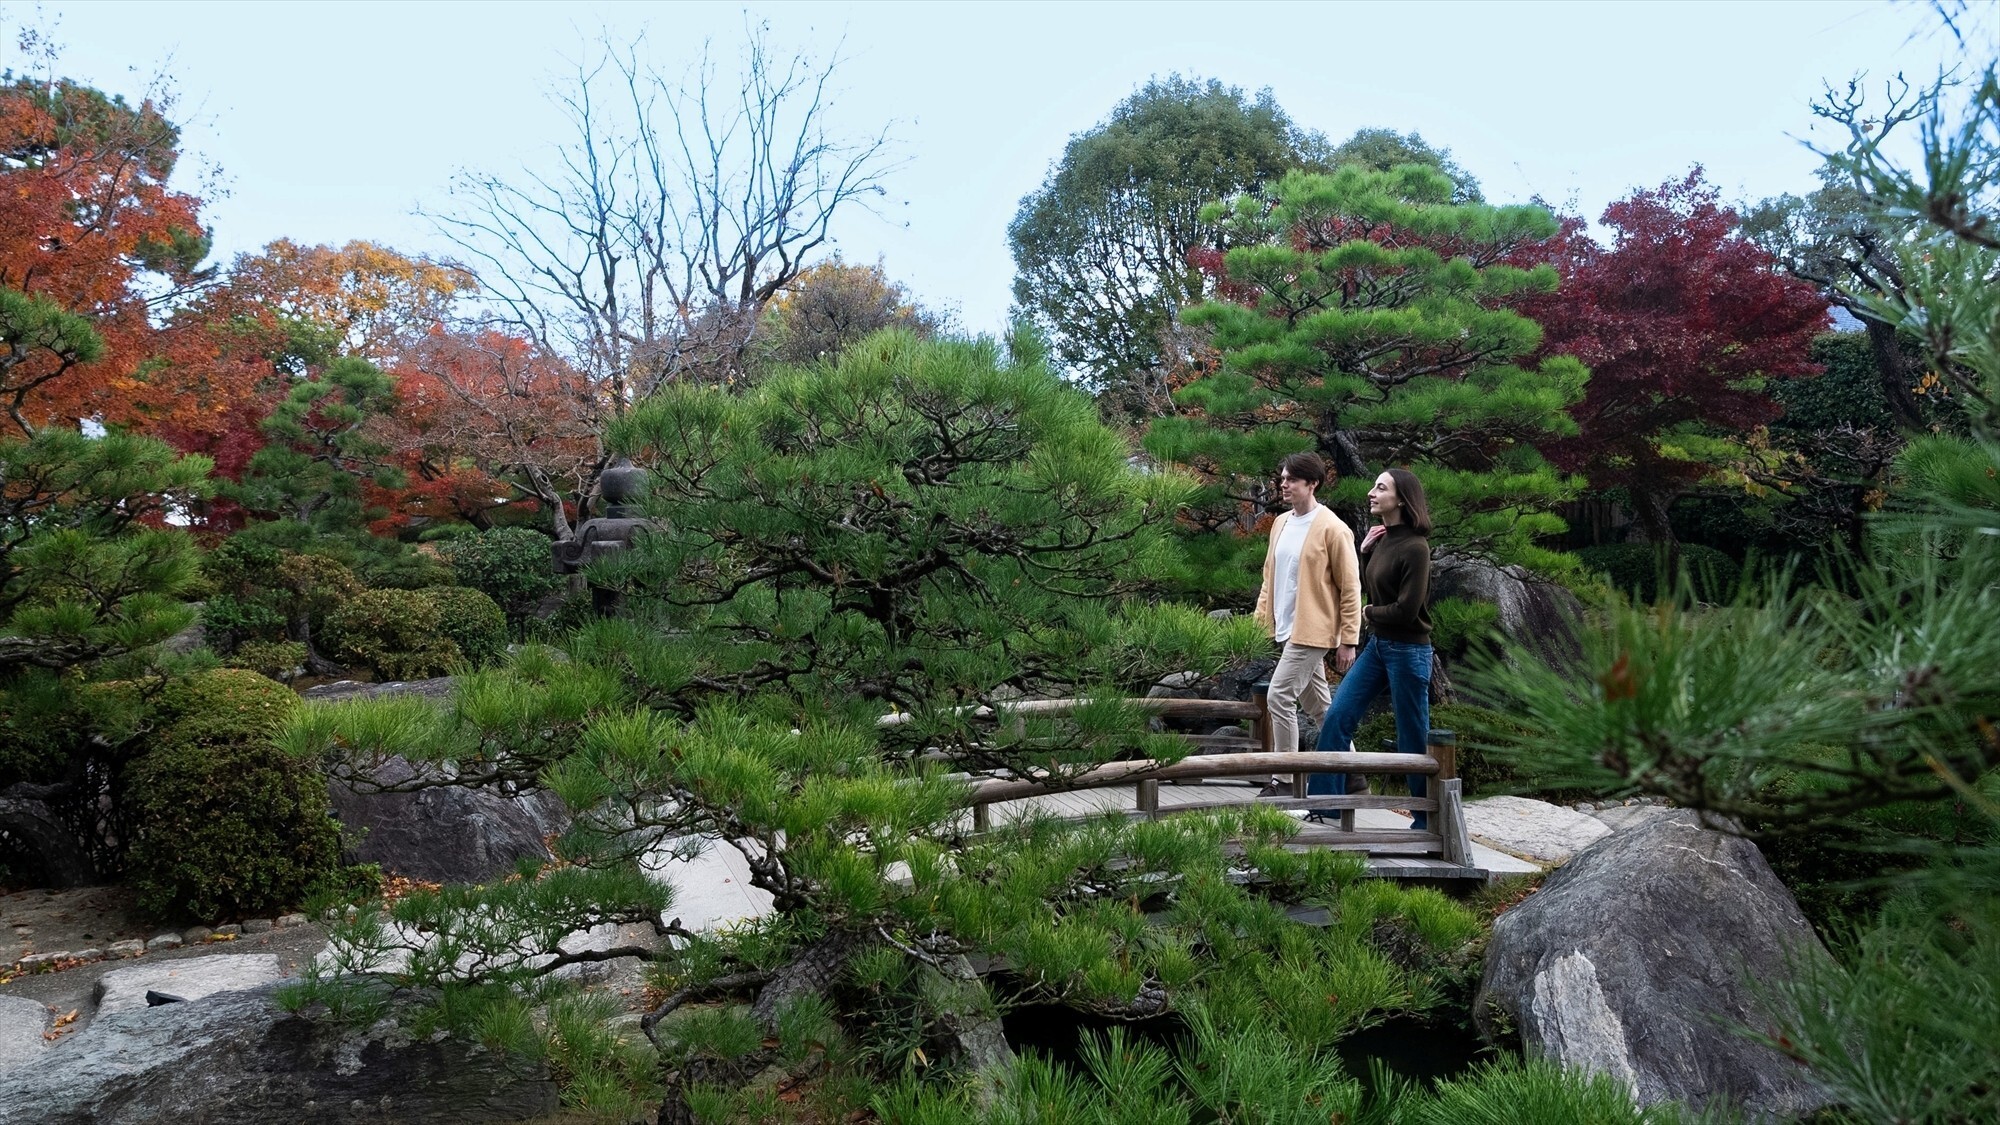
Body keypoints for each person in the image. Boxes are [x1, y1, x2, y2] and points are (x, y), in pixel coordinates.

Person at [1310, 467, 1435, 830]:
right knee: (1337, 716)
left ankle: (1426, 817)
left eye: (1381, 488)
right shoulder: (1382, 539)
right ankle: (1326, 804)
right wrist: (1365, 555)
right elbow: (1381, 589)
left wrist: (1366, 612)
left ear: (1402, 498)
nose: (1371, 492)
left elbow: (1406, 610)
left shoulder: (1416, 548)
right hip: (1380, 647)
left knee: (1412, 735)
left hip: (1409, 651)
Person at [1252, 453, 1363, 790]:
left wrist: (1349, 638)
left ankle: (1284, 778)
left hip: (1314, 631)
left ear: (1311, 483)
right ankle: (1354, 772)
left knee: (1278, 696)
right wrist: (1258, 624)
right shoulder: (1280, 523)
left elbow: (1350, 586)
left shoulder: (1333, 528)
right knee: (1319, 707)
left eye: (1292, 479)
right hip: (1287, 628)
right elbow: (1269, 576)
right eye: (1282, 478)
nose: (1284, 484)